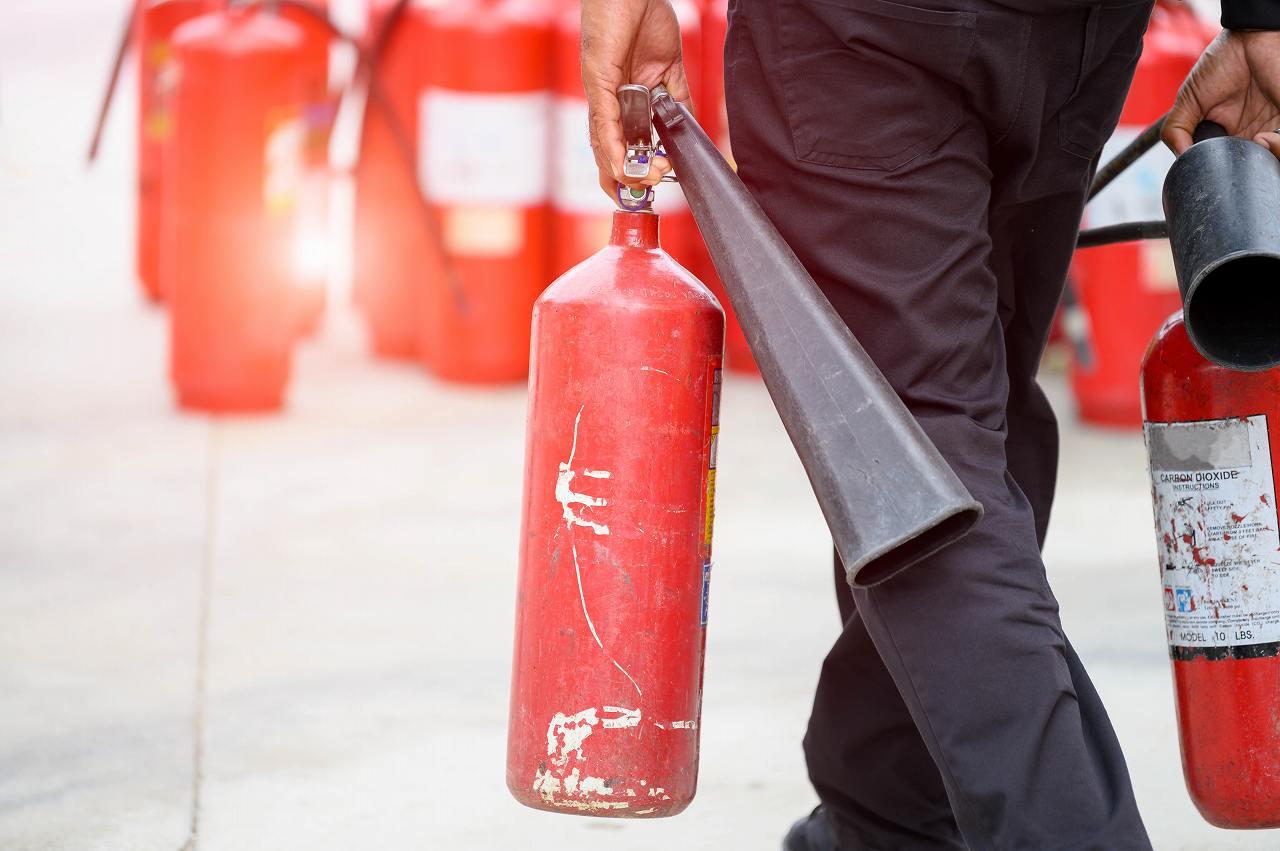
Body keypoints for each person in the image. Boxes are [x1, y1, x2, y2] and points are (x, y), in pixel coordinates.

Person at [580, 0, 1280, 848]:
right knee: (963, 431)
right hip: (1074, 32)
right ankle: (884, 819)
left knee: (927, 484)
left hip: (865, 34)